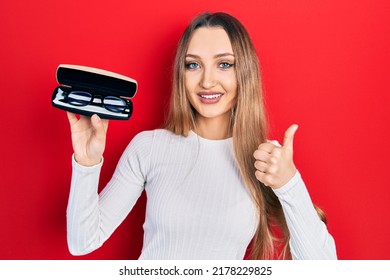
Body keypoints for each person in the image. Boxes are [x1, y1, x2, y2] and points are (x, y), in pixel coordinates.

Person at [66, 12, 337, 260]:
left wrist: (289, 183)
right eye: (193, 65)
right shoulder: (149, 148)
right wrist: (86, 163)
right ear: (180, 73)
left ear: (245, 72)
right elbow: (82, 242)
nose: (207, 81)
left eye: (224, 64)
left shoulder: (266, 160)